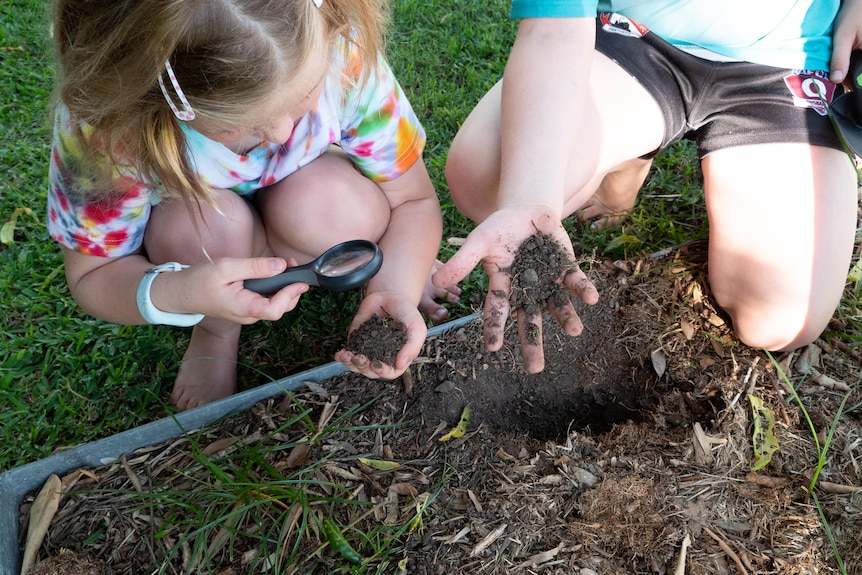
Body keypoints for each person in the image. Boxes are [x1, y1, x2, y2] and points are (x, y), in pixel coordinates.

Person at [48, 0, 457, 410]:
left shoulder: (341, 53)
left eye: (303, 97)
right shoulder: (112, 127)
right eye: (241, 123)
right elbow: (94, 274)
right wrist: (181, 292)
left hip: (308, 204)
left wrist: (397, 283)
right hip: (202, 231)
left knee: (336, 207)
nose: (281, 134)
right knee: (204, 231)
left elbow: (412, 199)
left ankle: (384, 259)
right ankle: (216, 332)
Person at [434, 1, 862, 374]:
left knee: (779, 322)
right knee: (487, 179)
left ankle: (637, 144)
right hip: (637, 38)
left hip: (788, 58)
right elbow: (554, 28)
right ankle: (633, 147)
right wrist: (527, 199)